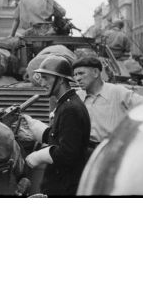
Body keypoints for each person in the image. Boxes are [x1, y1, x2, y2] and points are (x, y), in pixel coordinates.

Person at [22, 56, 91, 196]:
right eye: (41, 78)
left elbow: (67, 153)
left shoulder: (70, 108)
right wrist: (35, 127)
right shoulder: (66, 103)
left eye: (46, 78)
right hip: (63, 184)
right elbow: (62, 137)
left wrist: (36, 157)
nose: (42, 83)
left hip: (65, 188)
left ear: (60, 80)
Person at [73, 56, 143, 151]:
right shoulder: (77, 97)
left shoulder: (118, 92)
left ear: (96, 72)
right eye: (75, 75)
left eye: (81, 73)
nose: (77, 78)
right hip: (85, 151)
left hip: (112, 150)